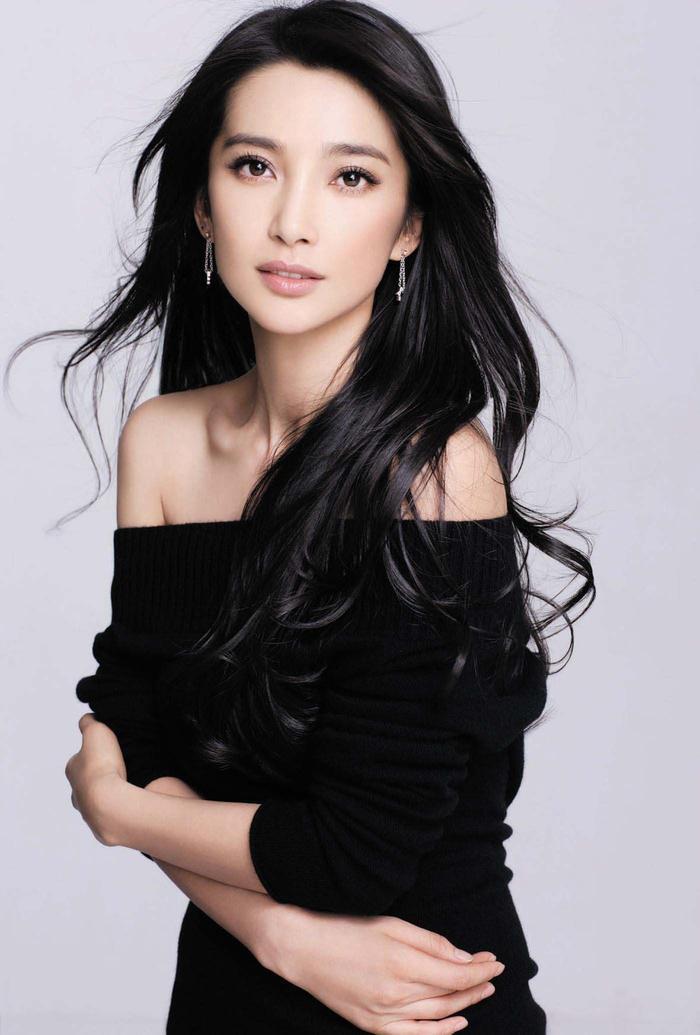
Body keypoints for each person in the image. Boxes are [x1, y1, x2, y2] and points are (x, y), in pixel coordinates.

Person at [9, 2, 595, 1031]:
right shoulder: (163, 442)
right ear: (202, 203)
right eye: (254, 167)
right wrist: (279, 936)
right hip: (228, 995)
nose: (293, 222)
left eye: (351, 177)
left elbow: (353, 854)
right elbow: (141, 742)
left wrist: (118, 812)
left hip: (424, 1005)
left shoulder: (436, 471)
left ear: (410, 224)